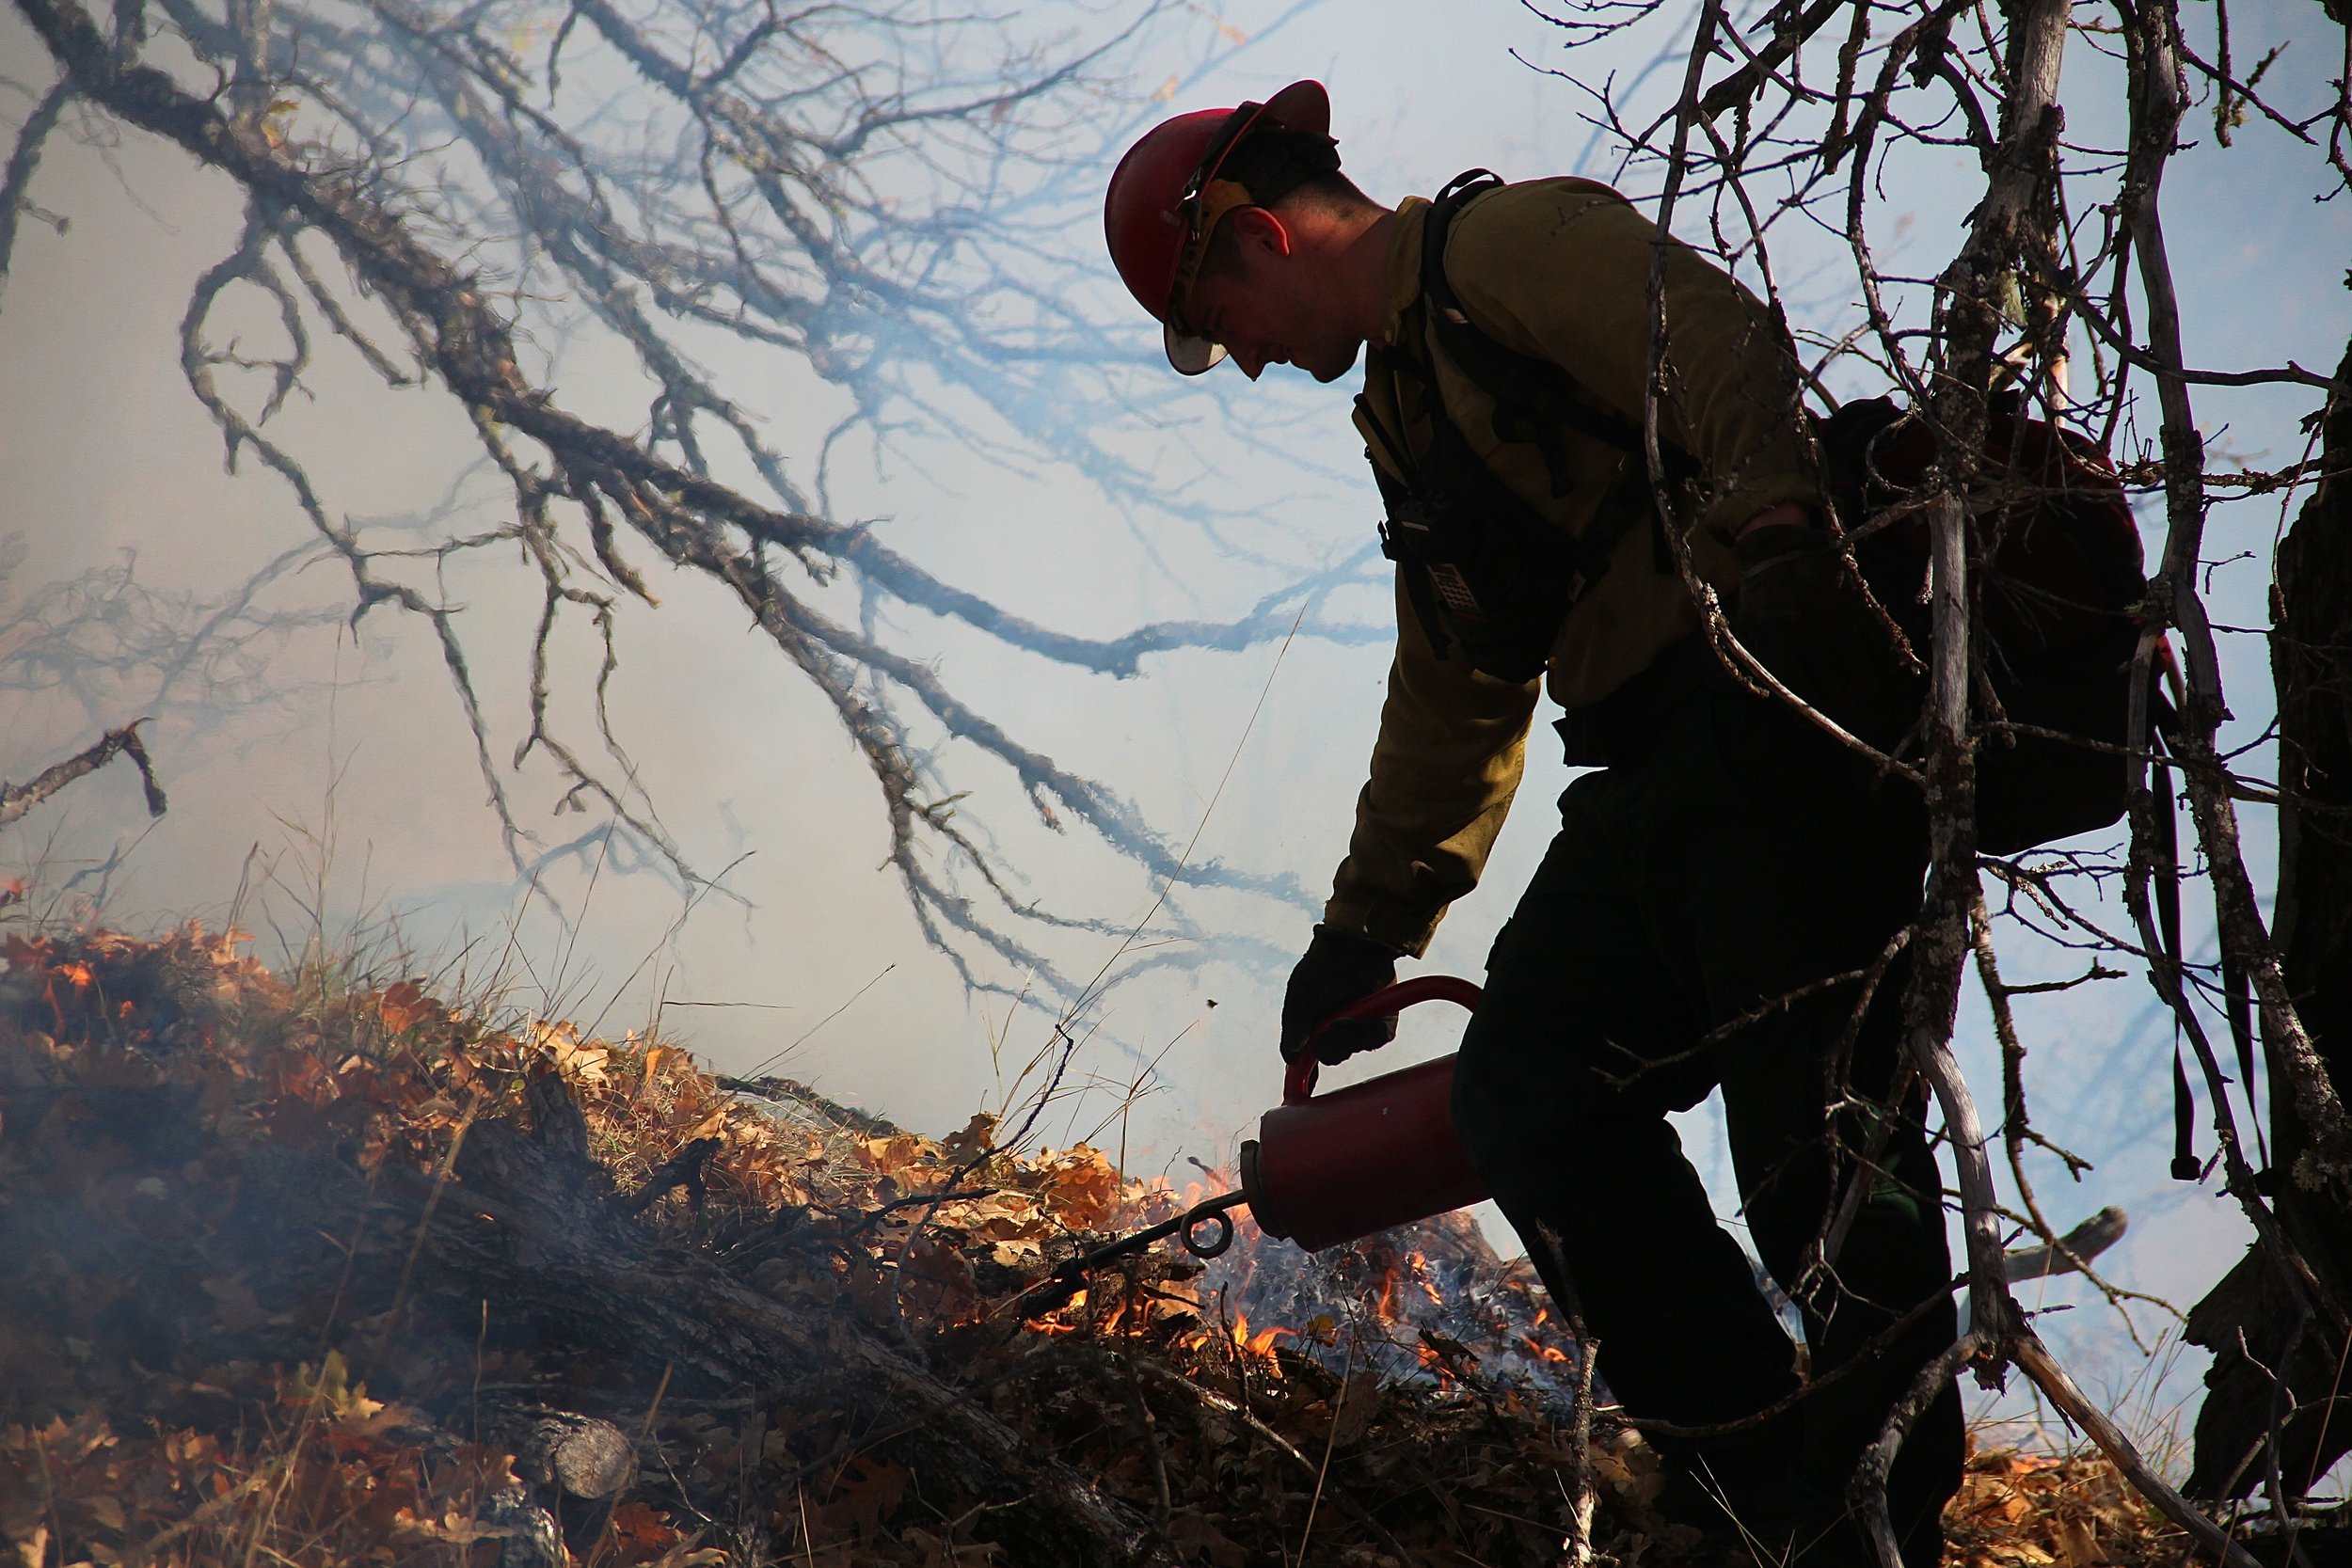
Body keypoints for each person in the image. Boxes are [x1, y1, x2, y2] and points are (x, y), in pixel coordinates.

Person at [1104, 80, 1963, 1568]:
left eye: (1217, 319)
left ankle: (1881, 1513)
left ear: (1257, 234)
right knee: (1528, 1092)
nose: (1238, 362)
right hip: (1648, 777)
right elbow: (1457, 689)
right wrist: (1368, 922)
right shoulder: (1407, 403)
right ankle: (1759, 1476)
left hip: (1778, 731)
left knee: (1817, 1154)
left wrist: (1776, 551)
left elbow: (1715, 339)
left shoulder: (1504, 250)